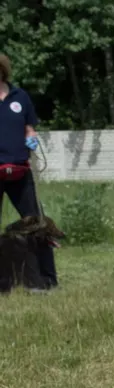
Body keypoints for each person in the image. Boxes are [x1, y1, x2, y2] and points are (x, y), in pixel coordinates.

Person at [0, 54, 56, 289]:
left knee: (37, 224)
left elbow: (29, 129)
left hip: (21, 171)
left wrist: (32, 139)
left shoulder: (20, 97)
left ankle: (46, 280)